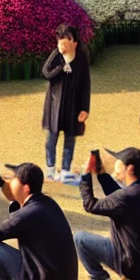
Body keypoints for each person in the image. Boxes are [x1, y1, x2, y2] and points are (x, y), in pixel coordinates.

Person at [0, 161, 78, 280]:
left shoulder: (29, 214)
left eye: (14, 179)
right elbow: (18, 218)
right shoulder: (47, 204)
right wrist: (5, 188)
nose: (10, 181)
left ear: (25, 188)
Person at [75, 146, 140, 280]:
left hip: (131, 266)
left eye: (120, 162)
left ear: (130, 168)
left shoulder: (125, 197)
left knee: (80, 239)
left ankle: (99, 279)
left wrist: (85, 176)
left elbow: (90, 205)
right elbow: (117, 196)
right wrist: (101, 174)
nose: (117, 164)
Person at [42, 24, 91, 184]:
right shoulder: (57, 54)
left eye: (68, 38)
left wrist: (85, 108)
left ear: (75, 42)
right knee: (51, 139)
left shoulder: (81, 57)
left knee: (70, 139)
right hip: (55, 105)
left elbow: (85, 84)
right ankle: (50, 169)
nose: (64, 42)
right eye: (61, 38)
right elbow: (46, 73)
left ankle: (65, 170)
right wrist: (61, 68)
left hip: (74, 106)